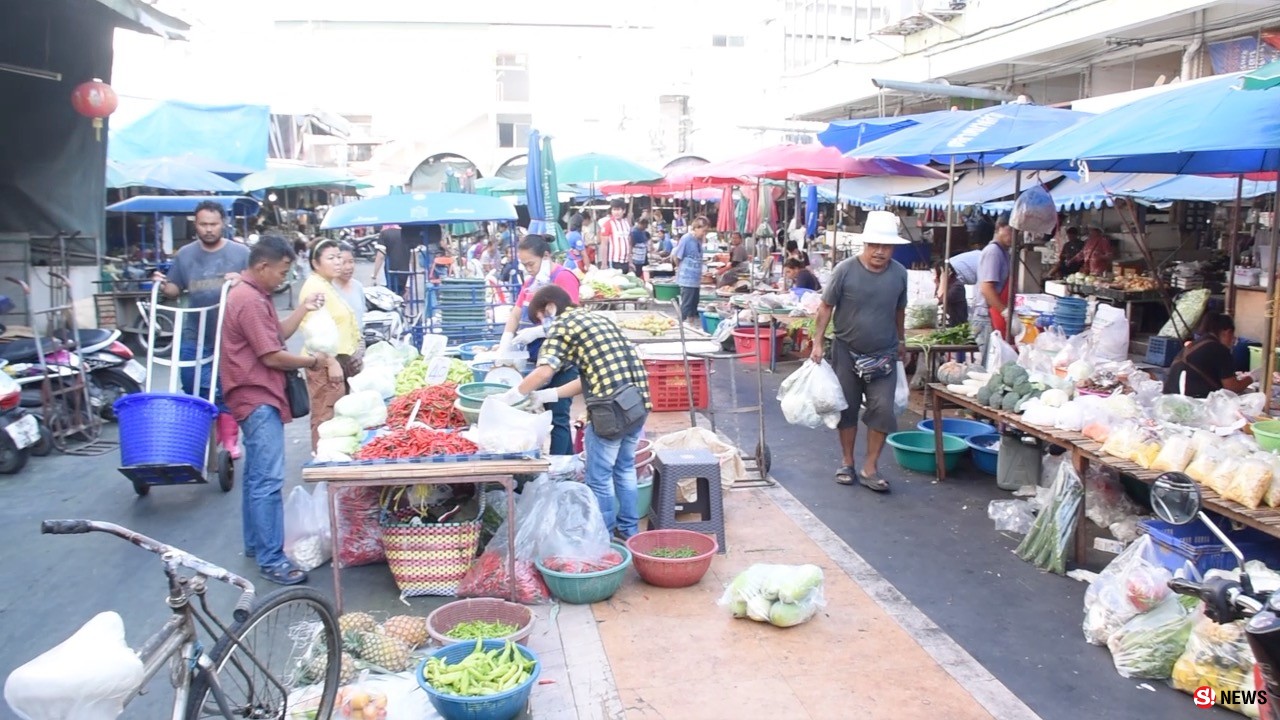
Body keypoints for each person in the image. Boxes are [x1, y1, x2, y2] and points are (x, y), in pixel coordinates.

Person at [499, 284, 649, 539]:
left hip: (609, 412)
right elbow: (589, 378)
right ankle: (629, 531)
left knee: (599, 478)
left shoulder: (562, 325)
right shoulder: (596, 319)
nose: (542, 325)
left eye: (540, 317)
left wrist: (512, 395)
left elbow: (545, 371)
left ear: (550, 306)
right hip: (637, 404)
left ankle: (603, 536)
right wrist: (549, 395)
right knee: (624, 470)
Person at [220, 234, 328, 586]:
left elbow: (276, 335)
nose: (284, 278)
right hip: (256, 395)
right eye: (282, 271)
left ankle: (256, 544)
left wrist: (303, 308)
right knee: (267, 480)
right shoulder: (248, 300)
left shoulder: (256, 296)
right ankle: (271, 558)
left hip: (255, 395)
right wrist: (312, 362)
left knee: (255, 477)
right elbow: (272, 356)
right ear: (262, 266)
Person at [809, 210, 908, 493]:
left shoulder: (899, 274)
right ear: (864, 245)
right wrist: (818, 341)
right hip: (846, 351)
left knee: (883, 409)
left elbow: (899, 310)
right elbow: (826, 306)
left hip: (884, 354)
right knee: (847, 409)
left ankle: (870, 467)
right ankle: (847, 462)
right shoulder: (845, 270)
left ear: (893, 248)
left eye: (885, 246)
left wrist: (901, 342)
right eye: (874, 245)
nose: (879, 252)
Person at [154, 200, 250, 459]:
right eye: (203, 224)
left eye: (213, 224)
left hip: (230, 333)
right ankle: (206, 432)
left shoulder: (240, 253)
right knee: (191, 383)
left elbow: (259, 283)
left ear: (223, 224)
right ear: (195, 225)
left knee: (225, 386)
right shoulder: (185, 254)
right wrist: (163, 285)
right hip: (194, 331)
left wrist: (243, 280)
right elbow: (175, 289)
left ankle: (229, 439)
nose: (208, 229)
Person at [497, 235, 582, 455]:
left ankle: (561, 468)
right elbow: (516, 312)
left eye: (531, 264)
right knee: (541, 414)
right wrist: (505, 341)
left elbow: (570, 319)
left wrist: (537, 331)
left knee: (558, 416)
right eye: (524, 265)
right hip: (537, 359)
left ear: (546, 256)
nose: (528, 269)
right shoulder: (530, 281)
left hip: (562, 362)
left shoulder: (564, 277)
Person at [301, 237, 363, 450]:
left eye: (339, 257)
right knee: (325, 418)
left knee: (336, 419)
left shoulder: (327, 285)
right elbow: (314, 332)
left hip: (338, 360)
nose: (338, 262)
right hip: (324, 365)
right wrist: (331, 362)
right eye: (331, 258)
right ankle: (323, 464)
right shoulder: (315, 288)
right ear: (315, 263)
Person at [1164, 314, 1254, 398]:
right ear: (1227, 332)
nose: (1233, 341)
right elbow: (1233, 388)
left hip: (1170, 397)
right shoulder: (1220, 350)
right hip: (1193, 401)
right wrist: (1252, 377)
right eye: (1232, 335)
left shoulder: (1196, 344)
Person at [972, 219, 1015, 362]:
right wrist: (1005, 312)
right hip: (986, 317)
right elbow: (986, 288)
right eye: (1011, 230)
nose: (1015, 235)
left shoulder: (1003, 253)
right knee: (989, 364)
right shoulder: (993, 252)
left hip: (993, 315)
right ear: (999, 228)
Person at [672, 217, 708, 326]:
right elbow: (676, 256)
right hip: (687, 278)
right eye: (703, 231)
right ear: (696, 228)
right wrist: (679, 269)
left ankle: (691, 325)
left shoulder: (699, 240)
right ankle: (679, 326)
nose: (704, 233)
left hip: (696, 279)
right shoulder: (686, 238)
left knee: (694, 304)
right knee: (686, 304)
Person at [371, 225, 420, 295]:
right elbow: (413, 258)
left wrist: (375, 275)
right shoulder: (409, 234)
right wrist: (412, 275)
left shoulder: (384, 233)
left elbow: (380, 256)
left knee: (388, 300)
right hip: (404, 274)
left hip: (388, 274)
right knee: (400, 299)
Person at [334, 241, 365, 334]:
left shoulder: (358, 286)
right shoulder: (329, 288)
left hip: (358, 339)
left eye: (351, 262)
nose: (348, 267)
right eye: (343, 263)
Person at [598, 199, 633, 272]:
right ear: (611, 211)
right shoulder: (608, 224)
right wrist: (604, 264)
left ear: (624, 211)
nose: (616, 212)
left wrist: (630, 261)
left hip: (626, 261)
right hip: (614, 261)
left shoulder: (627, 223)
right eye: (614, 209)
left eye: (618, 210)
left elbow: (629, 243)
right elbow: (604, 245)